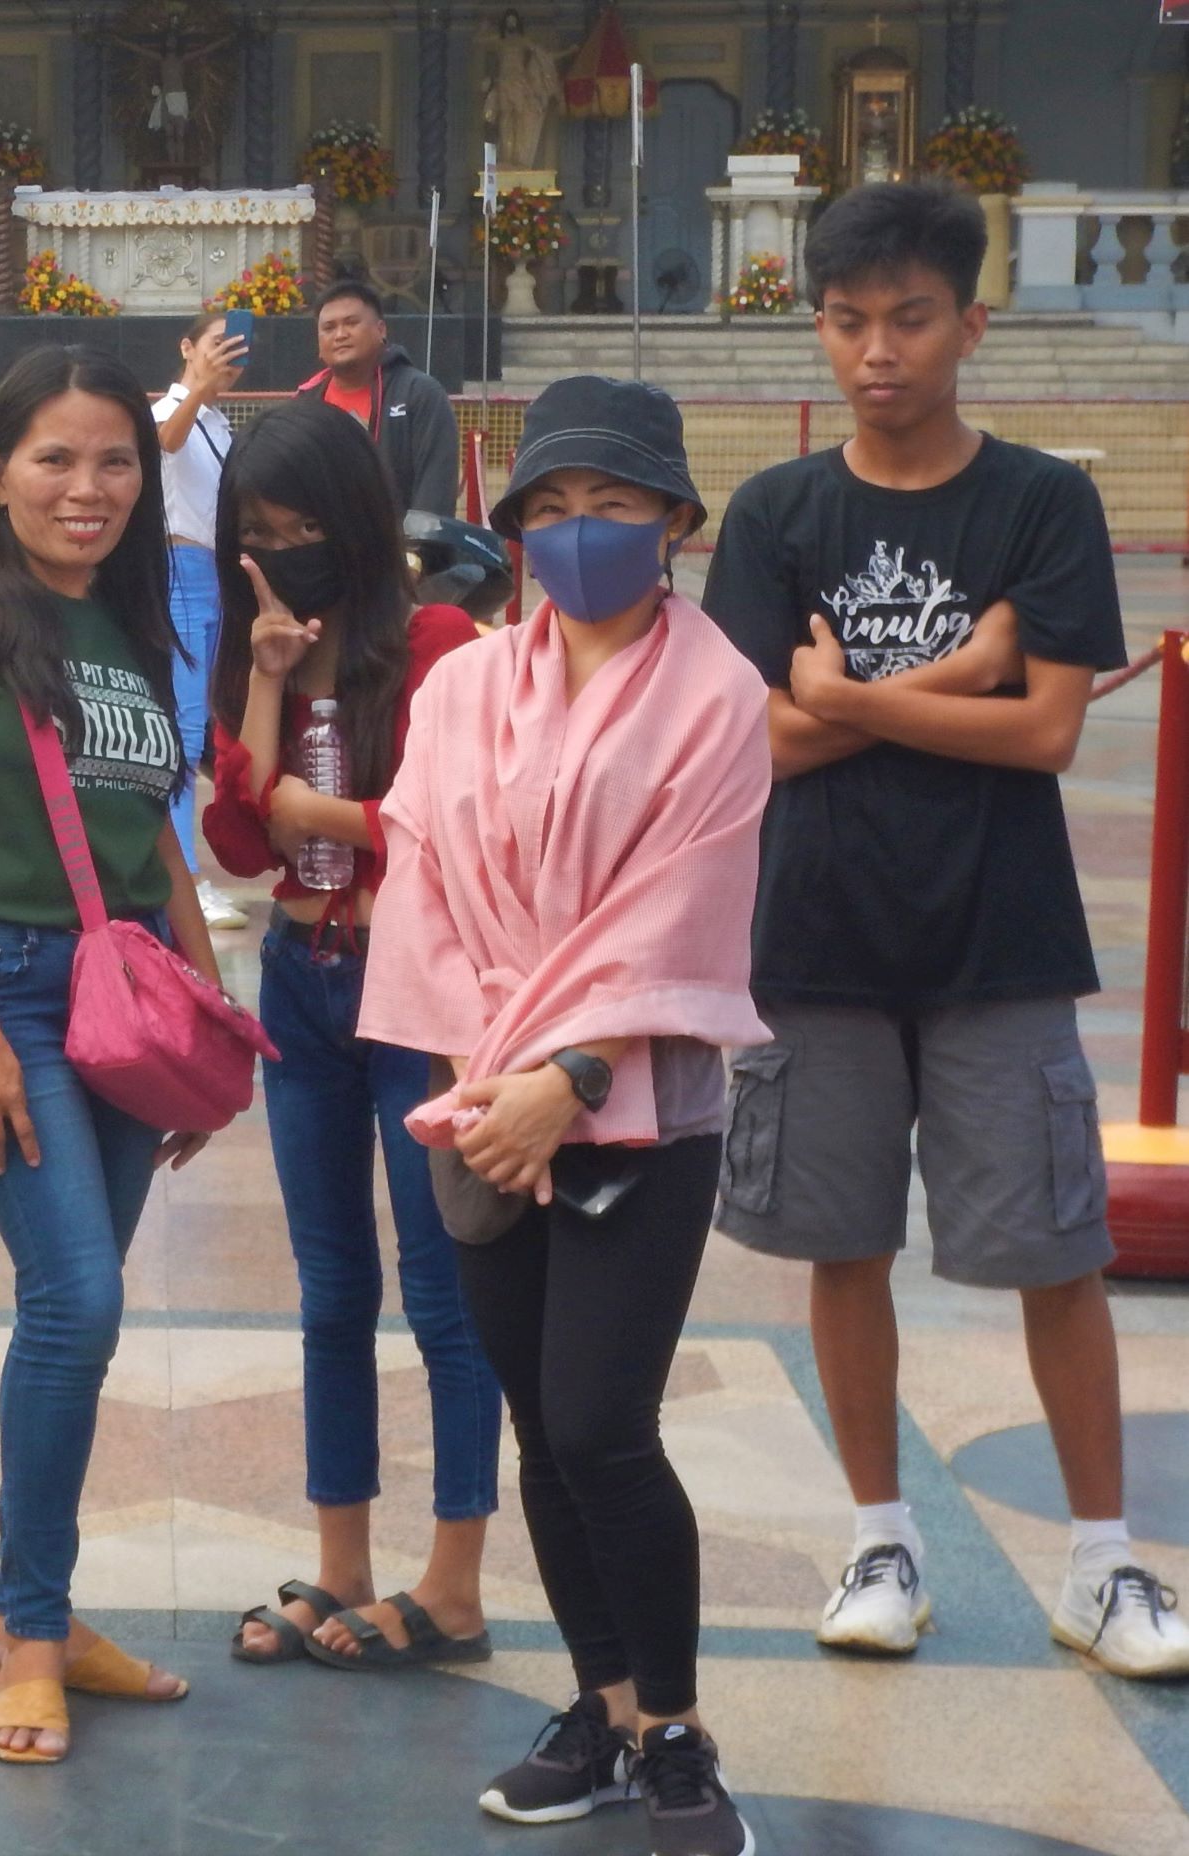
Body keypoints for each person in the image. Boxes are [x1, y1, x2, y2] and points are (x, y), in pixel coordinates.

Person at [707, 182, 1189, 1678]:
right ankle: (879, 1540)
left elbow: (1045, 732)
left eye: (908, 319)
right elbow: (752, 744)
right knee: (839, 1245)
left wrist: (849, 694)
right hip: (818, 936)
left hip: (999, 939)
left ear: (969, 324)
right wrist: (956, 675)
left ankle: (1102, 1567)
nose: (875, 351)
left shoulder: (1039, 499)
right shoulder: (779, 513)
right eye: (847, 321)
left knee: (1053, 1245)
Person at [360, 375, 771, 1856]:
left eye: (609, 504)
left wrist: (566, 1077)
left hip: (637, 1112)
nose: (576, 531)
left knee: (605, 1423)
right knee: (537, 1423)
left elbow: (679, 915)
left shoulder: (718, 695)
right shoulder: (462, 685)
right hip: (474, 1103)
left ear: (669, 518)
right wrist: (481, 1086)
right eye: (547, 507)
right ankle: (599, 1709)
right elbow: (426, 880)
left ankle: (672, 1726)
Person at [0, 345, 212, 1767]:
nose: (87, 487)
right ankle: (27, 1621)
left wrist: (201, 1004)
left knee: (77, 1304)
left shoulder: (126, 624)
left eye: (115, 460)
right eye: (55, 459)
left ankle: (42, 1622)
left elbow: (150, 833)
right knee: (73, 1299)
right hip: (2, 990)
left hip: (121, 997)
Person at [201, 401, 503, 1676]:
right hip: (301, 977)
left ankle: (453, 1580)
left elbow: (433, 824)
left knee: (441, 1291)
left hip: (412, 990)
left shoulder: (434, 641)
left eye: (305, 527)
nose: (284, 552)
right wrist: (265, 683)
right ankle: (340, 1562)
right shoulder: (251, 652)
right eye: (259, 534)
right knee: (331, 1290)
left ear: (358, 525)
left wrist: (298, 801)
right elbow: (231, 843)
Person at [153, 308, 250, 932]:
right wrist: (196, 387)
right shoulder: (169, 412)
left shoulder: (221, 426)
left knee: (208, 728)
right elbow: (165, 443)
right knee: (185, 733)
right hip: (179, 575)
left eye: (236, 351)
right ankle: (182, 878)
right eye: (216, 345)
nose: (227, 358)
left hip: (218, 580)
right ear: (188, 347)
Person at [294, 277, 459, 520]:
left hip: (398, 551)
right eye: (329, 328)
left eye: (351, 323)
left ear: (381, 330)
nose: (340, 334)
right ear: (318, 343)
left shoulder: (420, 394)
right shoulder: (304, 403)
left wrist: (414, 554)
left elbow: (434, 492)